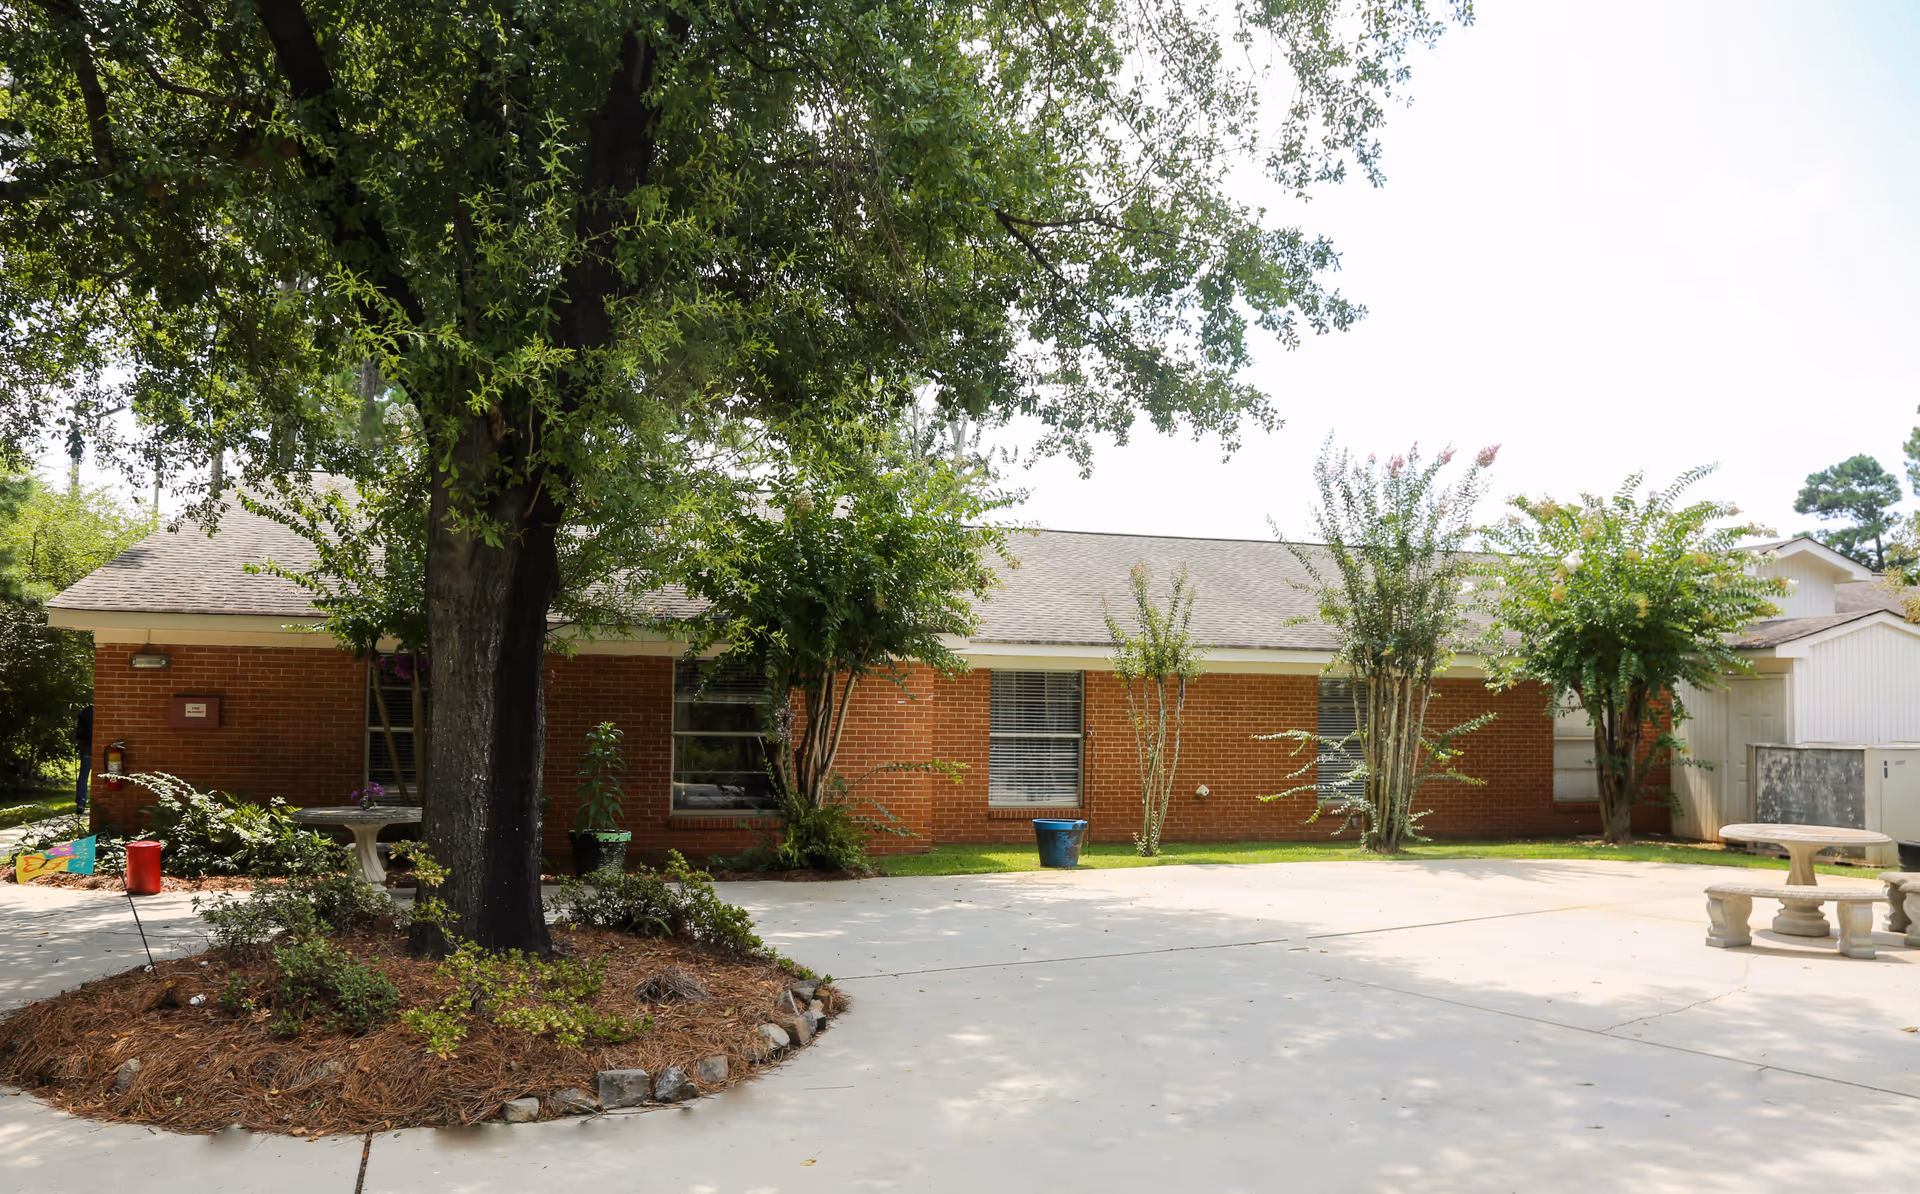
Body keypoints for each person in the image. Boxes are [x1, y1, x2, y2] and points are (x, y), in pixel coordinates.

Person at [73, 704, 93, 816]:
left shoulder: (84, 712)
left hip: (85, 748)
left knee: (83, 777)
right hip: (99, 747)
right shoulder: (101, 712)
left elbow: (78, 732)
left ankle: (81, 803)